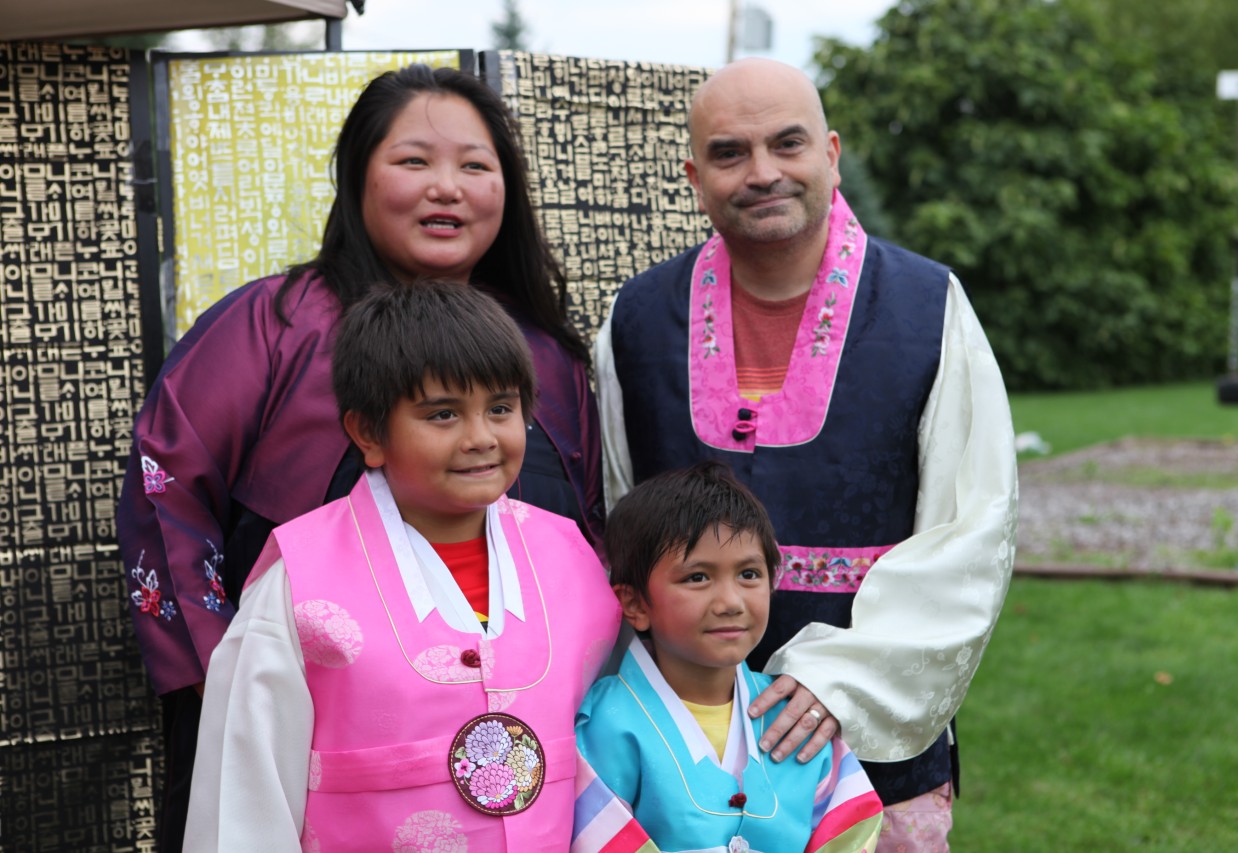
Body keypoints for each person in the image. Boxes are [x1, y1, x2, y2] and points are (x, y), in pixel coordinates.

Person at [116, 64, 605, 852]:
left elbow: (587, 534)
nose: (447, 187)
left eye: (475, 165)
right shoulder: (271, 325)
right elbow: (163, 489)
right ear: (357, 176)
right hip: (299, 720)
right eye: (414, 160)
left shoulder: (547, 354)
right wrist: (226, 671)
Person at [594, 58, 1019, 849]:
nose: (762, 172)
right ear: (695, 177)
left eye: (787, 144)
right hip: (675, 760)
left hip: (872, 762)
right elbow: (618, 517)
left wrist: (840, 682)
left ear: (830, 153)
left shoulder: (928, 307)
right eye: (729, 153)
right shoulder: (638, 319)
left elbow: (974, 529)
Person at [182, 280, 621, 851]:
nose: (480, 438)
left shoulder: (571, 560)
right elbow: (247, 796)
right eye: (443, 414)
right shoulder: (299, 580)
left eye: (501, 408)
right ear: (368, 432)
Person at [575, 463, 883, 853]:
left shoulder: (798, 717)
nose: (731, 602)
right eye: (697, 577)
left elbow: (849, 832)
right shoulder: (607, 723)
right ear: (635, 603)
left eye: (749, 574)